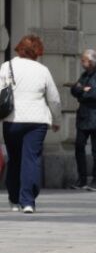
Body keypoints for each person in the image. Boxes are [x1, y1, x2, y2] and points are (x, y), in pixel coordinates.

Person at [0, 35, 62, 213]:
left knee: (15, 159)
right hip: (36, 122)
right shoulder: (42, 70)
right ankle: (27, 201)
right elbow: (54, 99)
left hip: (12, 120)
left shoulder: (7, 66)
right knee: (31, 159)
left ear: (19, 48)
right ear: (37, 51)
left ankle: (13, 200)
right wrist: (56, 120)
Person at [70, 49, 96, 191]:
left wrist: (83, 92)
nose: (81, 63)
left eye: (83, 60)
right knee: (79, 146)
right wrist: (82, 90)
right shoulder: (85, 75)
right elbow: (74, 90)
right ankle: (82, 178)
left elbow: (94, 94)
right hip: (84, 116)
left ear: (91, 62)